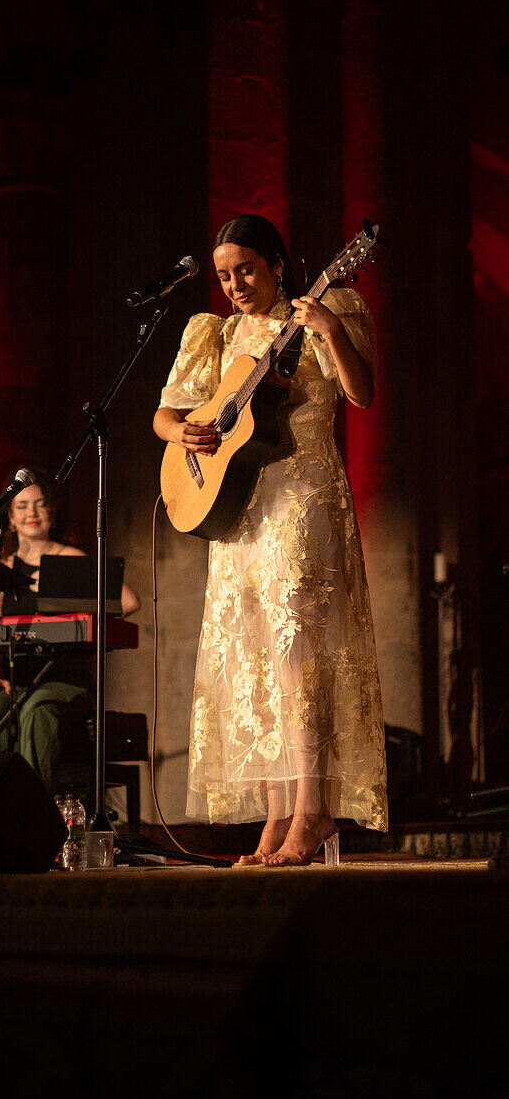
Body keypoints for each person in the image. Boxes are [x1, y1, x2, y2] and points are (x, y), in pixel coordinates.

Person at [153, 214, 387, 865]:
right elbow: (165, 412)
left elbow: (362, 395)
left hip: (303, 493)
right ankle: (277, 818)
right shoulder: (216, 332)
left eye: (246, 270)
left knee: (297, 649)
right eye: (225, 275)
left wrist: (330, 330)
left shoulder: (331, 304)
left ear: (279, 264)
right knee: (251, 656)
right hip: (239, 505)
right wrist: (185, 435)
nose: (234, 285)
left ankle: (312, 812)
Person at [0, 469, 140, 791]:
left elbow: (129, 601)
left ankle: (37, 816)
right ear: (11, 518)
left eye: (40, 504)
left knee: (38, 709)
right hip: (16, 679)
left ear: (52, 512)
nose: (32, 513)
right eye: (22, 506)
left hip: (64, 680)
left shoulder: (70, 558)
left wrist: (80, 622)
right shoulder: (0, 568)